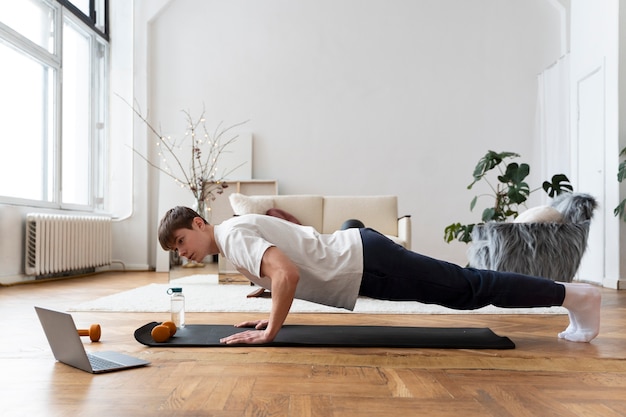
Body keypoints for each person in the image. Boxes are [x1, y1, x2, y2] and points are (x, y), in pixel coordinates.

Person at [158, 206, 601, 345]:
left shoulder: (232, 237)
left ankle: (575, 295)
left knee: (469, 288)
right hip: (359, 251)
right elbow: (282, 263)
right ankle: (573, 296)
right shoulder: (234, 233)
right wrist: (266, 292)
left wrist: (270, 332)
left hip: (368, 264)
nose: (183, 254)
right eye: (175, 251)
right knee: (466, 286)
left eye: (180, 242)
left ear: (198, 223)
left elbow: (288, 274)